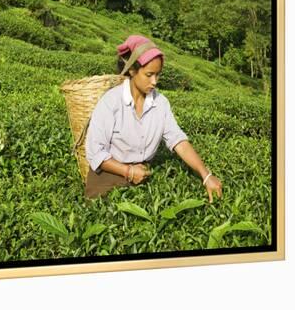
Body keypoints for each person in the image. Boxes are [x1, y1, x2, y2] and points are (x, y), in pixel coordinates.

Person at [85, 35, 223, 201]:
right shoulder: (111, 102)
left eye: (158, 75)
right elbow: (95, 152)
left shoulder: (161, 103)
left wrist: (206, 176)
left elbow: (178, 141)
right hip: (109, 173)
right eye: (149, 74)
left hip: (142, 173)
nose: (154, 81)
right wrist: (128, 171)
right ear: (132, 70)